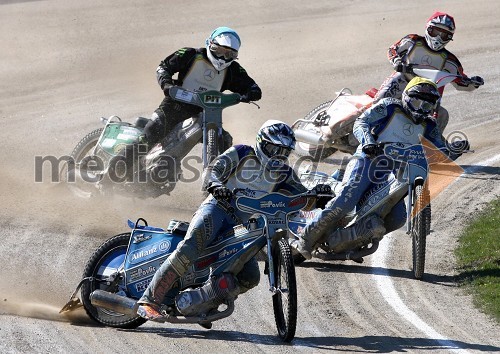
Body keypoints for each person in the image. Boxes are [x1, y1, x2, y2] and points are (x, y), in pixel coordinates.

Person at [136, 120, 313, 321]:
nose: (278, 157)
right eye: (274, 149)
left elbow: (304, 199)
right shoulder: (242, 153)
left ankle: (200, 303)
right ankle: (149, 300)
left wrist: (319, 196)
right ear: (261, 142)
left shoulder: (285, 174)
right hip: (217, 209)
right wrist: (215, 184)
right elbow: (213, 169)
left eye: (284, 152)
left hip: (243, 226)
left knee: (250, 277)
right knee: (191, 247)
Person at [294, 77, 467, 260]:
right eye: (417, 102)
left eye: (426, 106)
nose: (420, 109)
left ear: (433, 107)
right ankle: (305, 238)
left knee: (398, 218)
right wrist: (368, 141)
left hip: (396, 174)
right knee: (347, 199)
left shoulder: (430, 126)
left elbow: (440, 152)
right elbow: (361, 123)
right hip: (368, 160)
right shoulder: (389, 106)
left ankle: (350, 240)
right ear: (407, 97)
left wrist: (455, 149)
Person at [112, 26, 262, 182]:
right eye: (218, 50)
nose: (223, 58)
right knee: (147, 137)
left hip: (206, 114)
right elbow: (163, 67)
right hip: (172, 108)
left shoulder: (234, 70)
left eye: (229, 54)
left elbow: (254, 88)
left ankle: (221, 182)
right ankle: (108, 178)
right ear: (209, 43)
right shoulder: (190, 55)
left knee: (224, 140)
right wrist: (167, 84)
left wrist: (249, 94)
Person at [373, 11, 484, 134]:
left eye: (444, 35)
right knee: (380, 101)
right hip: (403, 80)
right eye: (436, 32)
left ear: (449, 38)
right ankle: (366, 126)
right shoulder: (412, 41)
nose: (438, 38)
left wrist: (473, 83)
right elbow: (393, 49)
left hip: (428, 96)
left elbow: (460, 80)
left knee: (442, 115)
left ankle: (432, 146)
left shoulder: (450, 61)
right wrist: (397, 61)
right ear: (428, 28)